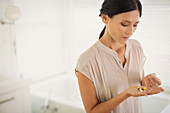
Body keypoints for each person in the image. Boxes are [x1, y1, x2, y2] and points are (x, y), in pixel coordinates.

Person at [75, 0, 164, 113]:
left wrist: (146, 82)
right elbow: (92, 111)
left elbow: (139, 85)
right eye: (125, 24)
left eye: (135, 25)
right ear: (105, 18)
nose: (130, 31)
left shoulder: (136, 47)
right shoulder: (87, 62)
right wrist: (125, 94)